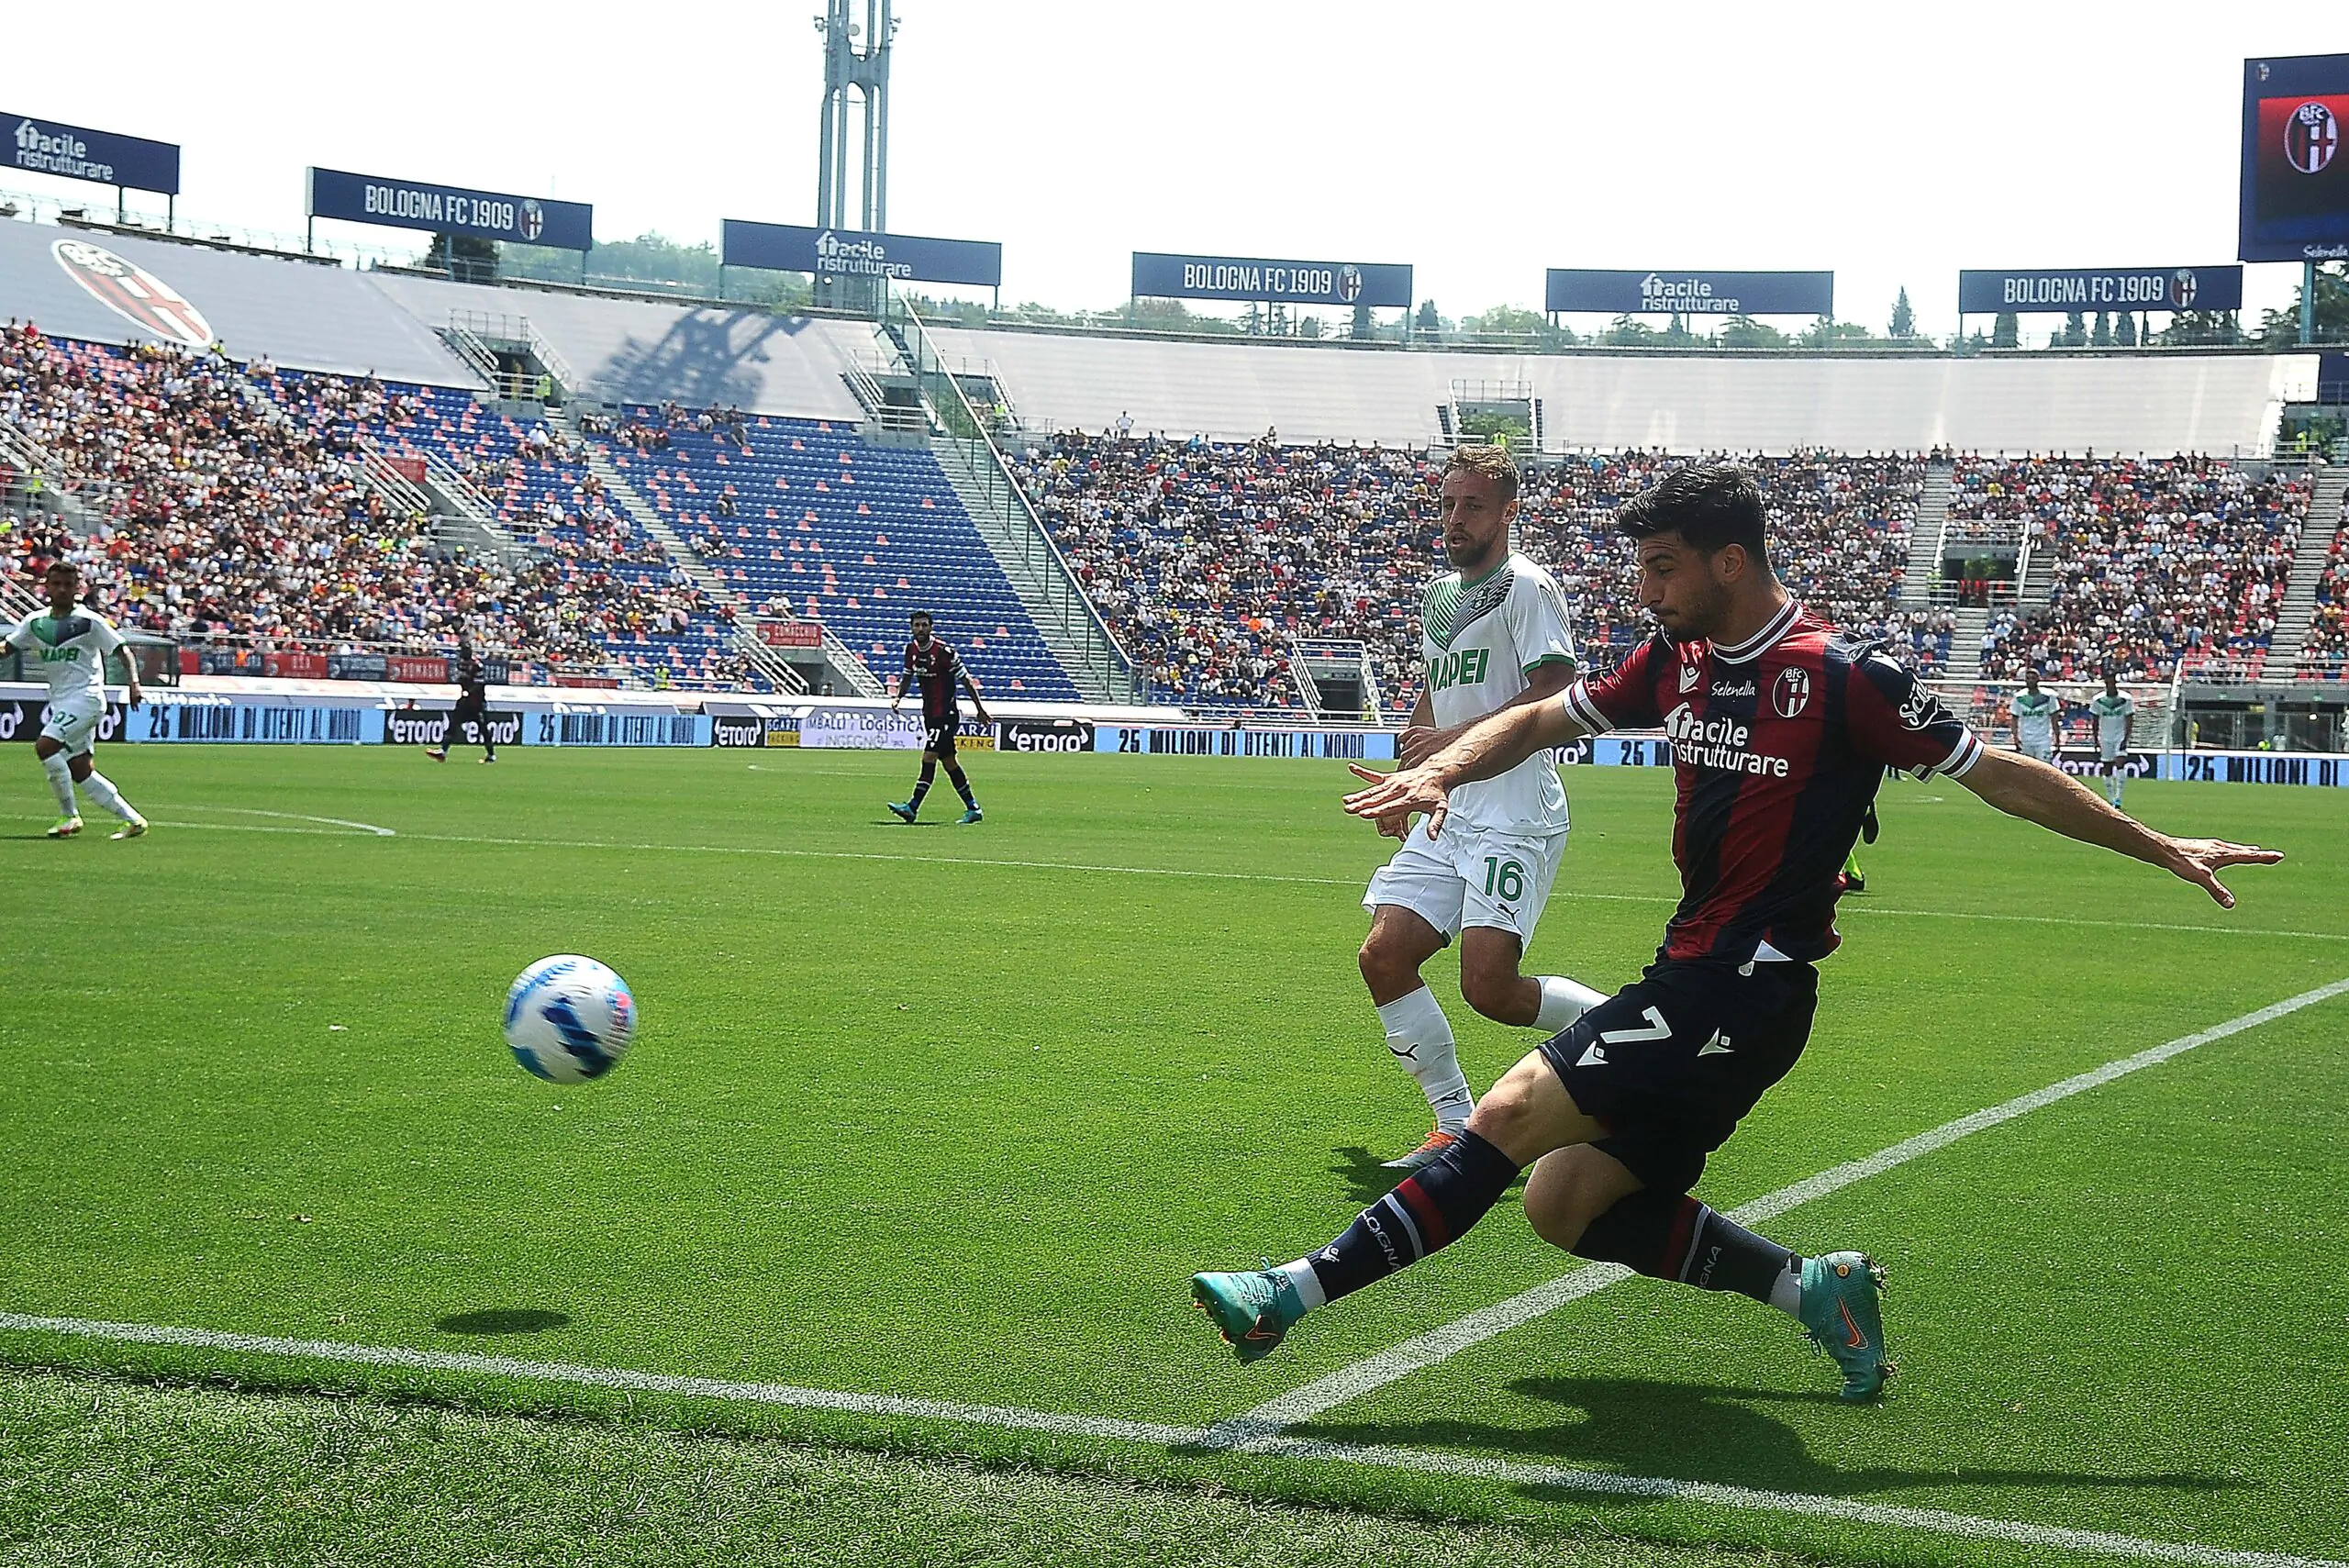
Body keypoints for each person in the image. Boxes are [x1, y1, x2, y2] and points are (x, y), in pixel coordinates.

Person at [1191, 464, 2279, 1401]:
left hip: (1745, 985)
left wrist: (2157, 843)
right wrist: (1442, 762)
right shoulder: (1677, 661)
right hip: (1701, 975)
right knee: (1566, 1202)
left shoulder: (1848, 679)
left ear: (1727, 561)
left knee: (1513, 1107)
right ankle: (1815, 1289)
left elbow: (2001, 776)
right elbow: (1539, 716)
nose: (1645, 591)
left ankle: (1282, 1293)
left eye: (1661, 568)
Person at [1360, 445, 1604, 1173]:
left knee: (1488, 988)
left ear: (1507, 512)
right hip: (1450, 808)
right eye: (1447, 503)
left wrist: (1451, 745)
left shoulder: (1528, 588)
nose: (1455, 518)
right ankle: (1453, 1122)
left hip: (1514, 812)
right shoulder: (1441, 592)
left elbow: (1555, 692)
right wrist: (1413, 777)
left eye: (1471, 504)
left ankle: (1615, 1026)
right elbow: (1436, 693)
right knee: (1383, 954)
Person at [6, 560, 147, 840]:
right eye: (56, 584)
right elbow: (7, 648)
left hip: (87, 697)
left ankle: (69, 816)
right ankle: (133, 820)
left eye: (68, 585)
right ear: (46, 587)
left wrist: (134, 682)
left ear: (77, 588)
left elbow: (123, 651)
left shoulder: (90, 621)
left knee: (45, 746)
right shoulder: (35, 623)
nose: (62, 590)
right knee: (80, 769)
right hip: (61, 700)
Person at [887, 611, 992, 825]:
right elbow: (907, 676)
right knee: (949, 762)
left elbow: (966, 681)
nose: (921, 629)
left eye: (925, 625)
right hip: (930, 715)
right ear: (911, 628)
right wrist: (899, 697)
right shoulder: (911, 650)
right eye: (917, 625)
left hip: (946, 714)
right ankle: (973, 808)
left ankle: (912, 807)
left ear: (931, 627)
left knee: (928, 758)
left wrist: (979, 709)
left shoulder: (944, 652)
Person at [426, 639, 496, 763]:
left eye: (465, 651)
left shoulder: (477, 665)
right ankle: (443, 752)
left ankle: (491, 755)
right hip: (465, 702)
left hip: (477, 703)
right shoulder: (461, 664)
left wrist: (468, 692)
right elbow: (461, 680)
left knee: (483, 729)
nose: (463, 653)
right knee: (453, 724)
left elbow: (480, 684)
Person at [2088, 672, 2135, 807]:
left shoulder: (2126, 699)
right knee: (2107, 768)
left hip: (2120, 736)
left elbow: (2129, 719)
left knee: (2120, 764)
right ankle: (2110, 799)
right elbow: (2095, 720)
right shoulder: (2098, 700)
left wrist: (2126, 738)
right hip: (2105, 737)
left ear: (2116, 683)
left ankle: (2118, 798)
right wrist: (2095, 738)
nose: (2110, 685)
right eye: (2107, 683)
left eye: (2112, 683)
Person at [2011, 669, 2060, 763]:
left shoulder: (2048, 696)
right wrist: (2015, 738)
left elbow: (2054, 719)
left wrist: (2057, 739)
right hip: (2025, 740)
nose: (2030, 681)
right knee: (2027, 770)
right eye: (2028, 678)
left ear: (2038, 679)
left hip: (2043, 740)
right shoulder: (2019, 697)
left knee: (2044, 769)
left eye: (2033, 678)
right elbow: (2014, 720)